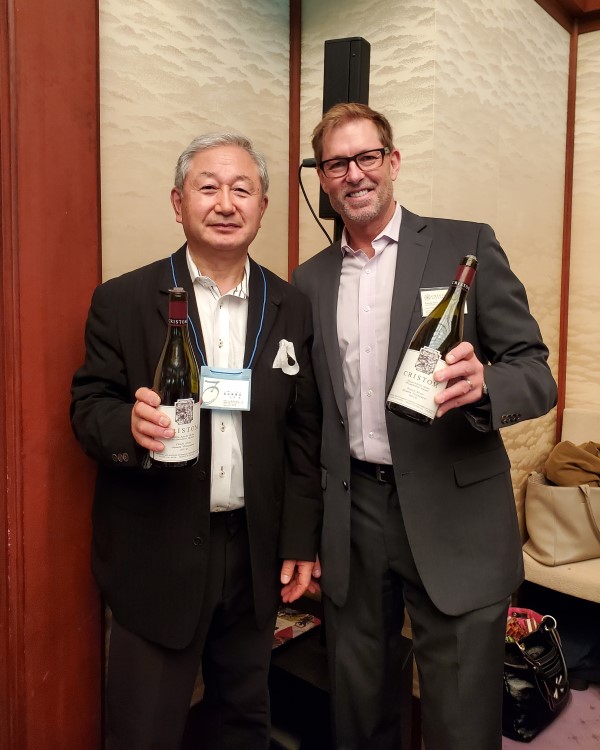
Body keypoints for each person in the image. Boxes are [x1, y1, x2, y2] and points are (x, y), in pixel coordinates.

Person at [293, 103, 558, 750]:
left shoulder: (465, 245)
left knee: (460, 721)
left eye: (366, 157)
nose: (354, 174)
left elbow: (535, 371)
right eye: (336, 163)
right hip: (354, 516)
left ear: (393, 161)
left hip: (454, 512)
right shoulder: (309, 280)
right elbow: (310, 417)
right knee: (359, 711)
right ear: (323, 178)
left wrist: (486, 384)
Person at [71, 133, 323, 750]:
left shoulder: (290, 306)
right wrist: (128, 428)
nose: (226, 203)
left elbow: (302, 432)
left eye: (242, 189)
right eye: (208, 187)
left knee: (243, 721)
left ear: (263, 206)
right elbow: (89, 405)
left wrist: (299, 540)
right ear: (178, 202)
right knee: (144, 730)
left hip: (253, 553)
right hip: (157, 551)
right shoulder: (123, 299)